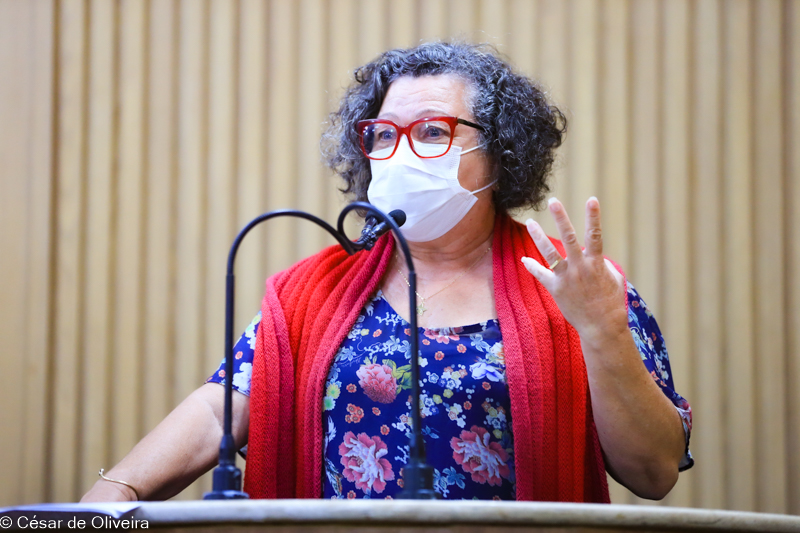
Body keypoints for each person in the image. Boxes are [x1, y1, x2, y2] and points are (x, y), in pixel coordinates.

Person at [81, 42, 692, 503]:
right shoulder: (313, 292)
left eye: (431, 131)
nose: (399, 152)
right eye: (382, 134)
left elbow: (654, 473)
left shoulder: (575, 285)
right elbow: (221, 412)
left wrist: (603, 332)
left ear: (501, 153)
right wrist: (114, 492)